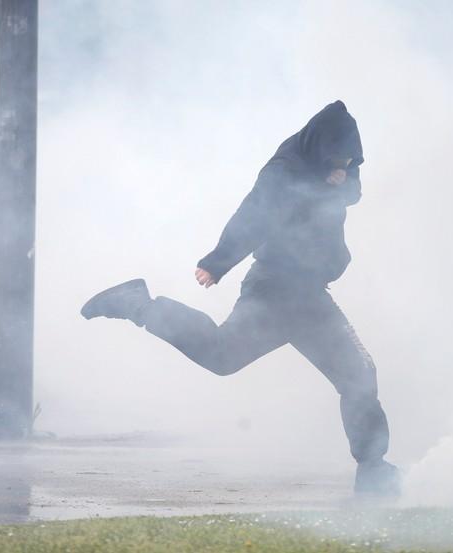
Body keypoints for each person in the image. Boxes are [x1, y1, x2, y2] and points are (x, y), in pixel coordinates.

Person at [81, 101, 397, 494]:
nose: (345, 165)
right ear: (320, 147)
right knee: (221, 355)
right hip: (275, 290)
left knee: (359, 375)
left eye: (351, 159)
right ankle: (137, 303)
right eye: (338, 159)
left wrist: (340, 177)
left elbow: (354, 189)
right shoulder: (283, 172)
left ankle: (373, 471)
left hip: (311, 297)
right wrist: (218, 261)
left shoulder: (338, 165)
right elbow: (253, 215)